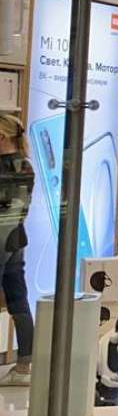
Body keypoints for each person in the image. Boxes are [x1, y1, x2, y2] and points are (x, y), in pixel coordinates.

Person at [0, 113, 34, 387]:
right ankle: (24, 367)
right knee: (19, 303)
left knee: (18, 302)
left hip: (2, 239)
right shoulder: (25, 166)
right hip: (15, 240)